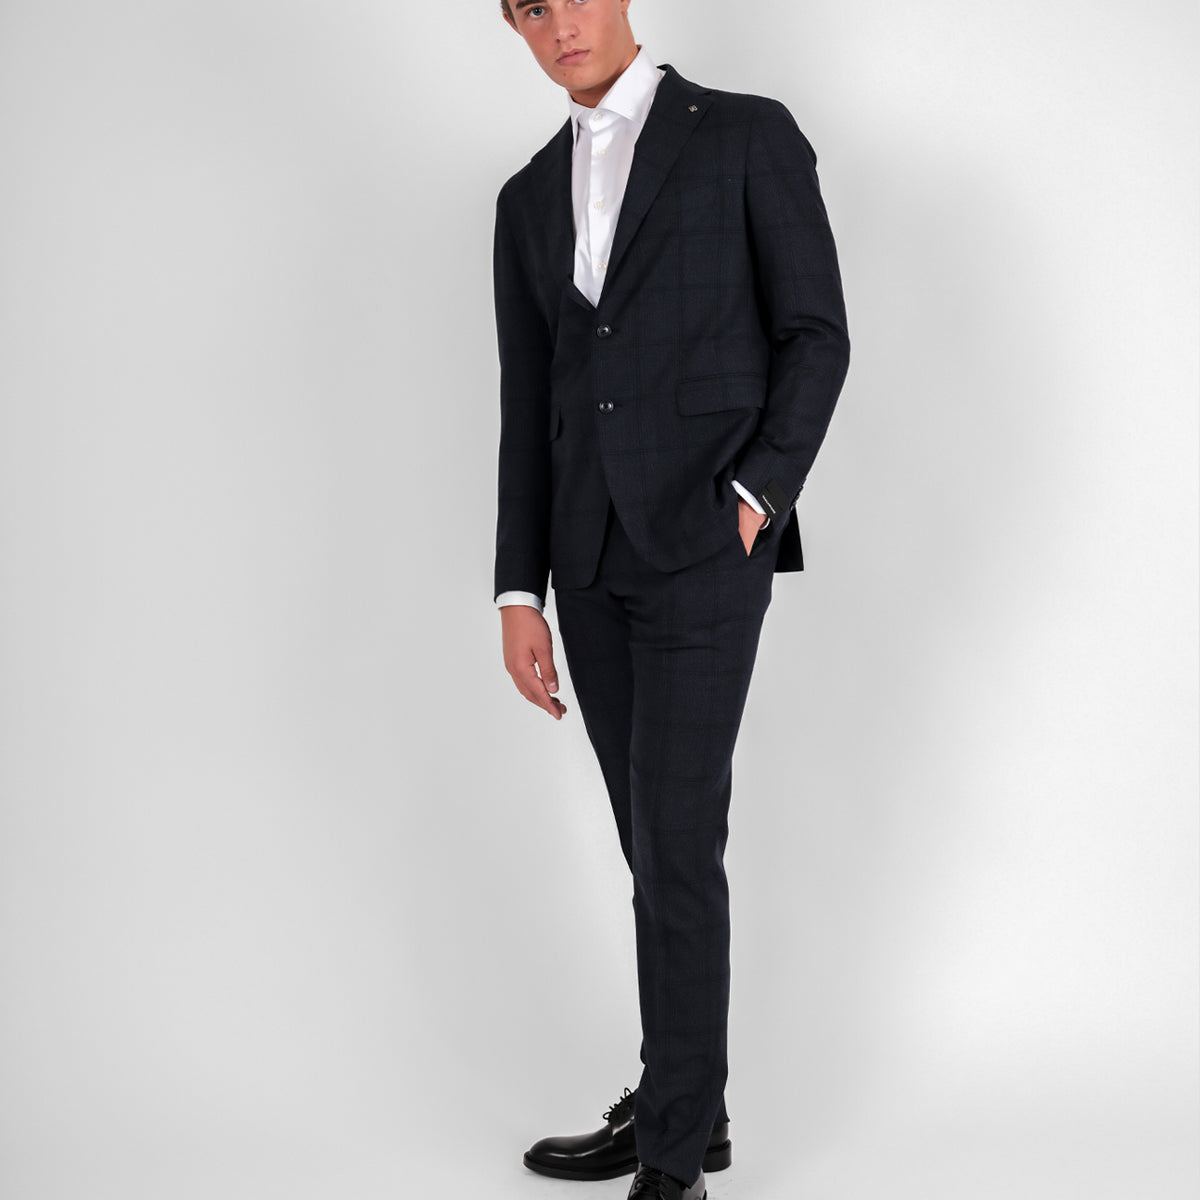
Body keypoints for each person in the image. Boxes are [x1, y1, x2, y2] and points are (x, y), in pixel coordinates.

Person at [491, 2, 849, 1196]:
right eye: (529, 9)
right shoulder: (525, 198)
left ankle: (676, 1158)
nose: (558, 24)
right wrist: (518, 588)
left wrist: (756, 497)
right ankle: (690, 1105)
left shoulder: (745, 135)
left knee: (679, 843)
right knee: (654, 847)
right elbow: (528, 405)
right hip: (587, 563)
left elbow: (815, 334)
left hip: (704, 546)